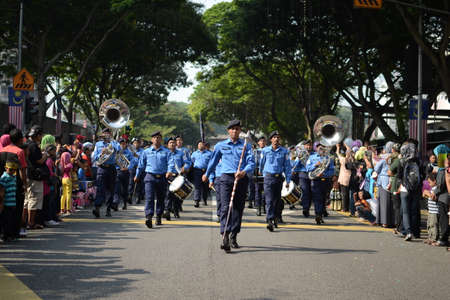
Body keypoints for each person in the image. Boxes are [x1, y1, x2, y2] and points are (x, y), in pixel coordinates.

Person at [203, 120, 254, 253]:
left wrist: (243, 171)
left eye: (237, 129)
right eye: (232, 129)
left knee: (238, 209)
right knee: (226, 207)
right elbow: (213, 161)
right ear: (228, 131)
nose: (235, 131)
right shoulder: (221, 145)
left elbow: (251, 163)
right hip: (226, 178)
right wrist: (207, 174)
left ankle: (234, 235)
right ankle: (224, 235)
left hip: (241, 179)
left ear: (240, 131)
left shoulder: (246, 146)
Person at [135, 131, 171, 228]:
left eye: (158, 137)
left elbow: (171, 163)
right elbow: (141, 165)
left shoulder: (166, 152)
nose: (156, 139)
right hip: (150, 177)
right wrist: (137, 175)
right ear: (152, 140)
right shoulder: (146, 152)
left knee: (160, 198)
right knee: (149, 198)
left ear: (161, 140)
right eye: (155, 137)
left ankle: (158, 216)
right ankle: (149, 217)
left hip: (162, 177)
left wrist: (169, 171)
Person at [259, 131, 291, 232]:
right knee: (269, 199)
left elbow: (287, 166)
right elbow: (261, 163)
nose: (276, 139)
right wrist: (261, 173)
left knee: (277, 200)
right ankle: (269, 220)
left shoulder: (284, 151)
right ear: (271, 139)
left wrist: (288, 180)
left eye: (278, 137)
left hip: (279, 178)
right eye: (274, 137)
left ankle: (276, 217)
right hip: (268, 177)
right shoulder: (265, 151)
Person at [1, 129, 27, 237]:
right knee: (16, 208)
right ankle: (13, 232)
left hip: (2, 183)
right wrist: (25, 184)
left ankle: (3, 231)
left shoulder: (2, 151)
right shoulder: (19, 151)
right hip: (15, 184)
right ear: (20, 139)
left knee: (3, 208)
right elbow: (22, 170)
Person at [23, 125, 48, 230]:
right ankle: (31, 222)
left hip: (27, 174)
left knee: (26, 200)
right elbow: (39, 161)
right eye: (40, 135)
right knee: (33, 200)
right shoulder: (33, 146)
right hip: (35, 176)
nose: (41, 137)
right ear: (37, 135)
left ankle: (24, 222)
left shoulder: (26, 144)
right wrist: (45, 155)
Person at [92, 128, 120, 218]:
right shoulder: (98, 144)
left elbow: (118, 149)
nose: (106, 134)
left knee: (110, 189)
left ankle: (108, 209)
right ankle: (97, 208)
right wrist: (101, 154)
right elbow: (94, 156)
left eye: (107, 133)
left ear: (110, 134)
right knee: (100, 188)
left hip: (111, 168)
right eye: (104, 133)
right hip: (101, 167)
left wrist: (111, 142)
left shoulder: (114, 143)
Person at [306, 143, 334, 225]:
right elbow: (308, 168)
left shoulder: (329, 158)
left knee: (323, 199)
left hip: (325, 180)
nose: (320, 149)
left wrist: (324, 174)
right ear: (316, 149)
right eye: (319, 148)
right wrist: (315, 165)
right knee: (317, 198)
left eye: (322, 147)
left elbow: (332, 171)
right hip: (316, 180)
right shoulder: (312, 157)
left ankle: (320, 214)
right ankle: (317, 214)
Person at [165, 137, 192, 219]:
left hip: (178, 176)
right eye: (170, 143)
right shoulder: (165, 153)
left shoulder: (180, 153)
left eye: (173, 142)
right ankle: (167, 211)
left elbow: (188, 162)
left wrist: (185, 167)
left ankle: (176, 210)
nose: (172, 144)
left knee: (177, 196)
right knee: (168, 194)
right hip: (167, 176)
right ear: (167, 144)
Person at [432, 154, 449, 247]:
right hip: (445, 196)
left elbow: (440, 185)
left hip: (443, 197)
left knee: (443, 219)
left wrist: (435, 193)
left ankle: (443, 239)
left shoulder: (443, 170)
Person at [113, 138, 134, 210]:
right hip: (117, 172)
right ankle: (116, 203)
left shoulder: (129, 152)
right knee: (117, 189)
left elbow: (132, 162)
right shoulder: (116, 152)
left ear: (126, 144)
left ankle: (125, 203)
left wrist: (127, 168)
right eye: (121, 143)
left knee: (124, 189)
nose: (122, 145)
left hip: (126, 172)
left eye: (124, 143)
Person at [0, 158, 18, 241]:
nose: (12, 171)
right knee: (5, 220)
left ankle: (9, 235)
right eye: (10, 170)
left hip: (12, 202)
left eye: (14, 170)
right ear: (5, 168)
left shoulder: (14, 177)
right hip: (6, 203)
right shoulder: (4, 178)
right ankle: (5, 235)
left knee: (11, 220)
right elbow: (2, 192)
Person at [294, 140, 313, 218]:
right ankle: (305, 209)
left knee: (311, 192)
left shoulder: (314, 155)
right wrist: (298, 159)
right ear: (304, 146)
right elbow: (295, 166)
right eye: (307, 145)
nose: (308, 147)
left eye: (310, 145)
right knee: (305, 191)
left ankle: (307, 207)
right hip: (303, 174)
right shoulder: (300, 154)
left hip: (312, 175)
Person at [191, 140, 212, 207]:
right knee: (197, 186)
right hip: (197, 171)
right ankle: (196, 200)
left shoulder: (209, 154)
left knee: (205, 187)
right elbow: (192, 161)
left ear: (204, 145)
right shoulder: (194, 153)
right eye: (199, 144)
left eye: (202, 144)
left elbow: (211, 163)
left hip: (206, 171)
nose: (200, 145)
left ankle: (204, 199)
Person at [422, 173, 439, 245]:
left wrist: (427, 193)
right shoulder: (432, 189)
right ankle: (430, 237)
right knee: (429, 224)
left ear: (435, 181)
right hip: (430, 210)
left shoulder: (436, 189)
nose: (428, 184)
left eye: (429, 182)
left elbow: (434, 198)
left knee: (433, 225)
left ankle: (434, 238)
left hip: (435, 211)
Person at [128, 138, 144, 204]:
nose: (136, 144)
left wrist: (137, 156)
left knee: (139, 184)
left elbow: (143, 160)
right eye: (134, 143)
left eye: (137, 143)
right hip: (132, 168)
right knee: (131, 183)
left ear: (140, 144)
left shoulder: (143, 151)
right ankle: (130, 196)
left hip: (139, 168)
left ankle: (138, 197)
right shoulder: (130, 150)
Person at [253, 137, 266, 216]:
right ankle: (258, 208)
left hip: (266, 172)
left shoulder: (268, 150)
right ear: (258, 143)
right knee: (258, 191)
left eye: (264, 141)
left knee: (266, 191)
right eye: (261, 141)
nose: (262, 142)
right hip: (257, 173)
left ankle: (264, 207)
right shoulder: (255, 151)